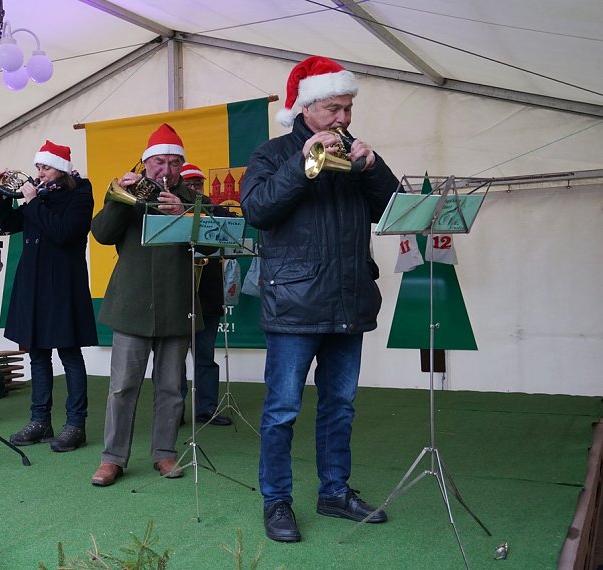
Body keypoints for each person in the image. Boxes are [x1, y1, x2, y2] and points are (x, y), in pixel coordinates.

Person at [241, 55, 399, 542]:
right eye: (334, 108)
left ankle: (334, 492)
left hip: (348, 301)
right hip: (293, 304)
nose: (344, 119)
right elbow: (257, 211)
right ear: (307, 108)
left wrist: (371, 168)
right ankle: (277, 501)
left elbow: (393, 210)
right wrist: (302, 162)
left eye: (348, 109)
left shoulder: (354, 155)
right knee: (282, 409)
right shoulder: (272, 154)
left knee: (340, 405)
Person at [89, 123, 207, 486]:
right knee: (122, 386)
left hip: (177, 304)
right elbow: (102, 235)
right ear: (146, 162)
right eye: (159, 162)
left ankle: (165, 453)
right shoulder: (127, 193)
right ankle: (112, 458)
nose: (166, 171)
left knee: (171, 386)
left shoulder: (192, 198)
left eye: (174, 163)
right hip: (132, 305)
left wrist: (184, 218)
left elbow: (212, 246)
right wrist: (115, 196)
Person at [0, 140, 98, 452]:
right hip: (33, 283)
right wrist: (3, 195)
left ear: (62, 169)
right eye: (38, 166)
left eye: (46, 167)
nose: (40, 172)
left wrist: (32, 202)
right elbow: (8, 224)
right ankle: (40, 421)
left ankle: (75, 424)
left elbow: (63, 232)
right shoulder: (38, 195)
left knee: (69, 354)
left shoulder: (80, 194)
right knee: (37, 354)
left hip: (63, 285)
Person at [178, 163, 232, 427]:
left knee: (205, 356)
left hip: (207, 297)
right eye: (188, 184)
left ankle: (206, 409)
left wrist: (204, 208)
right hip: (176, 297)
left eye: (198, 184)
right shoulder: (168, 210)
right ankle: (172, 411)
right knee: (173, 360)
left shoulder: (214, 210)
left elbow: (230, 229)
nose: (194, 188)